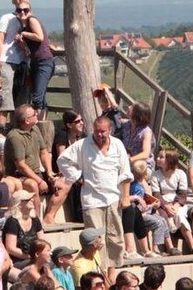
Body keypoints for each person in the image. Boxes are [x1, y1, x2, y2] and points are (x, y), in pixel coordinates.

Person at [58, 116, 133, 284]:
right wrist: (77, 176)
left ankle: (111, 274)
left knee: (114, 237)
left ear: (110, 130)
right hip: (92, 200)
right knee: (95, 241)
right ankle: (99, 274)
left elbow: (125, 172)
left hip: (113, 197)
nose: (99, 135)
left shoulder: (117, 145)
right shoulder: (83, 145)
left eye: (103, 132)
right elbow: (62, 160)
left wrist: (126, 196)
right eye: (97, 131)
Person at [6, 105, 70, 223]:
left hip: (36, 172)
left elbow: (44, 152)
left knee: (64, 184)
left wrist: (50, 172)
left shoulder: (35, 129)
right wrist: (40, 181)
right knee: (33, 185)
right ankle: (36, 221)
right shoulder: (15, 137)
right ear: (27, 120)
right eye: (34, 114)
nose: (37, 114)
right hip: (18, 175)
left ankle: (49, 217)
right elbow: (20, 166)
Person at [12, 2, 55, 112]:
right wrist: (21, 42)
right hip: (35, 62)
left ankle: (35, 122)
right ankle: (41, 123)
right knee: (40, 95)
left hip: (44, 62)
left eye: (25, 10)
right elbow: (28, 52)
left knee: (37, 96)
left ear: (30, 11)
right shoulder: (24, 28)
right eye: (19, 10)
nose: (22, 12)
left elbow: (39, 37)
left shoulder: (32, 20)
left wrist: (24, 34)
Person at [152, 149, 193, 254]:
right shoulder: (155, 174)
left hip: (177, 203)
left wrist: (176, 206)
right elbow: (156, 194)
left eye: (161, 157)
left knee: (180, 216)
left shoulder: (180, 174)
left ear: (169, 160)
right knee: (163, 217)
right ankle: (170, 248)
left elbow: (182, 193)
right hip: (162, 203)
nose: (157, 159)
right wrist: (166, 206)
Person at [0, 0, 30, 111]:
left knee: (21, 99)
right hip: (7, 61)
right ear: (13, 1)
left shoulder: (31, 19)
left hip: (23, 61)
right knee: (6, 98)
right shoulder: (6, 18)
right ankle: (3, 128)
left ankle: (16, 126)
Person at [3, 190, 43, 266]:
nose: (32, 200)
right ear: (19, 204)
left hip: (34, 257)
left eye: (31, 198)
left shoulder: (35, 219)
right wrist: (30, 257)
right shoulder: (12, 222)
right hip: (18, 259)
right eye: (28, 199)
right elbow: (10, 248)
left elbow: (42, 241)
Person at [119, 103, 153, 172]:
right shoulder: (127, 124)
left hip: (143, 165)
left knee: (136, 168)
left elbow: (146, 154)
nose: (128, 107)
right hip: (126, 163)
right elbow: (114, 118)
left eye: (132, 108)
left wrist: (130, 159)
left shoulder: (146, 132)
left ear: (137, 114)